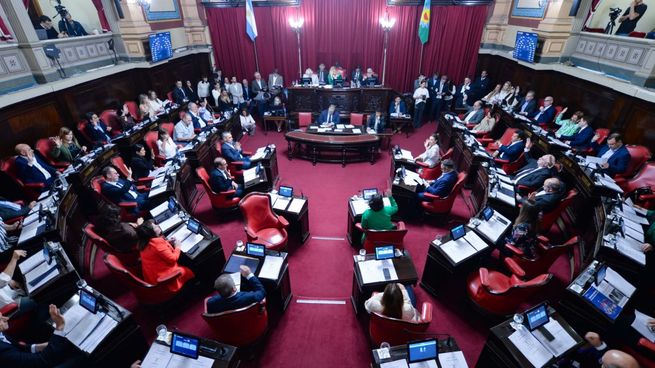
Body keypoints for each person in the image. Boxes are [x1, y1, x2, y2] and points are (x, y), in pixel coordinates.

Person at [0, 304, 83, 367]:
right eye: (0, 319)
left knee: (66, 345)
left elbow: (20, 348)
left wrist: (46, 345)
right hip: (41, 362)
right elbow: (43, 360)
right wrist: (60, 326)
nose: (6, 318)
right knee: (80, 356)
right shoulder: (3, 352)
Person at [136, 220, 194, 294]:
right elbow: (173, 259)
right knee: (188, 266)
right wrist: (178, 247)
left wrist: (167, 243)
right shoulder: (157, 244)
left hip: (153, 277)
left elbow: (157, 251)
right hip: (165, 279)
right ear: (151, 232)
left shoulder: (143, 242)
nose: (158, 226)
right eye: (155, 226)